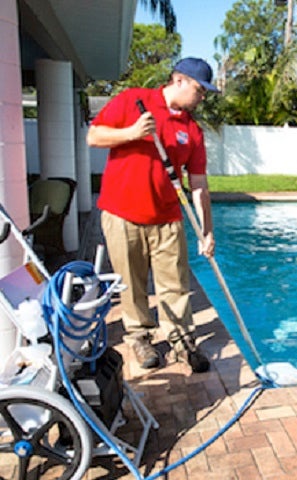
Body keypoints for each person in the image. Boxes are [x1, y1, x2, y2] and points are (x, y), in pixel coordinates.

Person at [86, 57, 219, 372]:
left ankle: (182, 340)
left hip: (168, 218)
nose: (202, 98)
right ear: (179, 81)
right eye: (200, 90)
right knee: (131, 283)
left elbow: (198, 184)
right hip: (122, 214)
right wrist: (132, 132)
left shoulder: (192, 130)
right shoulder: (133, 101)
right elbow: (94, 137)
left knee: (175, 283)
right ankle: (139, 336)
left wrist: (207, 229)